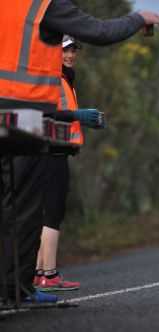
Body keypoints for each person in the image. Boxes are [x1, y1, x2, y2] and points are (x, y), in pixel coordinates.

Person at [0, 0, 159, 303]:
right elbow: (99, 31)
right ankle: (13, 291)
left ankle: (12, 289)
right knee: (24, 208)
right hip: (25, 115)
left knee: (9, 205)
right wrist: (138, 18)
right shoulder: (42, 5)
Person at [34, 36, 83, 292]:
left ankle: (41, 272)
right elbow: (48, 112)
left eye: (73, 50)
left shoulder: (65, 77)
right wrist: (78, 115)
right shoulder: (50, 77)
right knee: (52, 212)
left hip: (55, 150)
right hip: (49, 151)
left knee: (47, 212)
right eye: (65, 50)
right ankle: (49, 275)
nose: (71, 55)